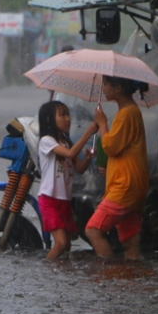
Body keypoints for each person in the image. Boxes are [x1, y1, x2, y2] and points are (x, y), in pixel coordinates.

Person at [85, 76, 149, 260]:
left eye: (105, 84)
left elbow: (111, 146)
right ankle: (130, 279)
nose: (103, 88)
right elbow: (121, 150)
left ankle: (110, 276)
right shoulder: (129, 111)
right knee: (130, 242)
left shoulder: (127, 113)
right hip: (132, 185)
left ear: (118, 88)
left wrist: (103, 123)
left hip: (124, 186)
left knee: (93, 230)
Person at [37, 100, 98, 260]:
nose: (68, 119)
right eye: (62, 115)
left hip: (64, 201)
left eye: (68, 115)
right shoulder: (46, 142)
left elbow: (79, 169)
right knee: (61, 243)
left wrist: (86, 158)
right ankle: (46, 271)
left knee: (67, 246)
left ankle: (60, 276)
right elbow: (70, 155)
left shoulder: (66, 143)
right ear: (50, 119)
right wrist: (88, 133)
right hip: (49, 200)